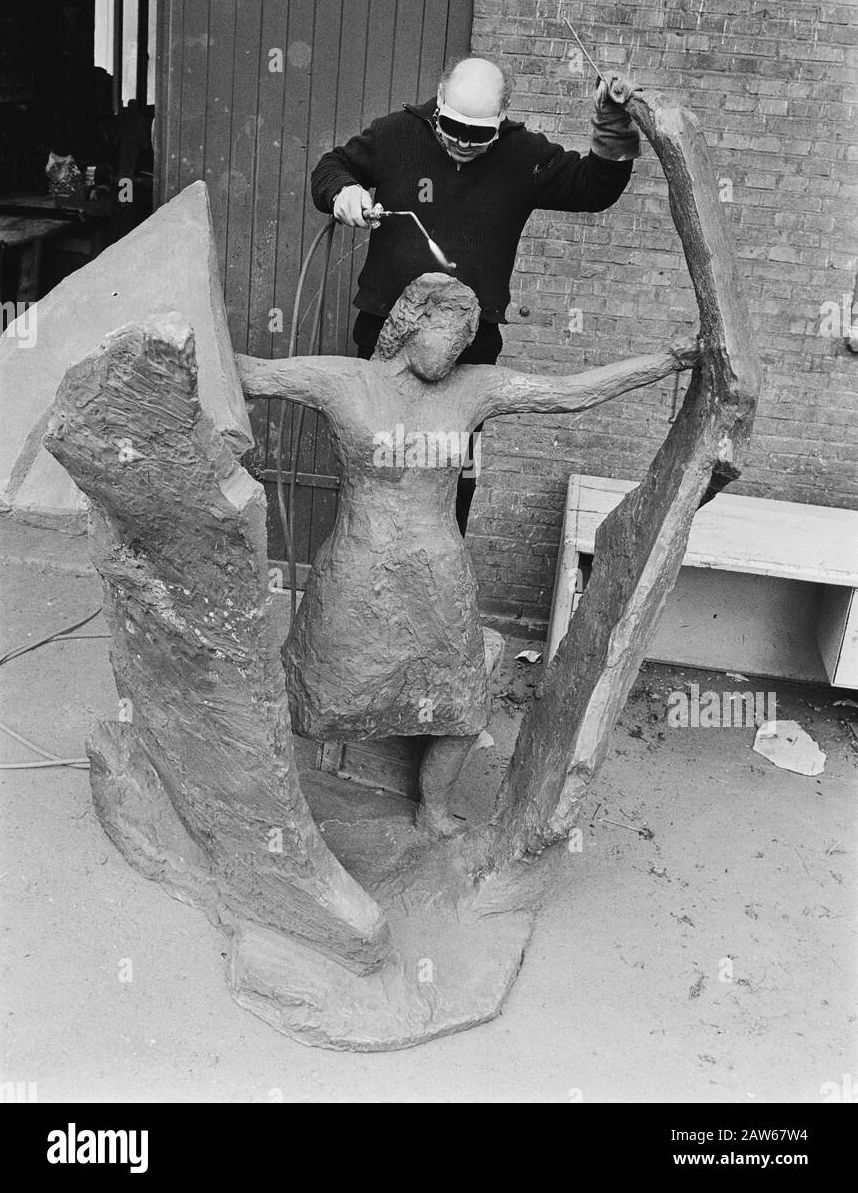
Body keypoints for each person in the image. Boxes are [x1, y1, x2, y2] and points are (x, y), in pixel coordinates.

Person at [238, 273, 697, 835]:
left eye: (464, 342)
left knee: (460, 703)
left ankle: (433, 808)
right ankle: (262, 793)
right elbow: (250, 374)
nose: (455, 351)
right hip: (358, 568)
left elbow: (569, 392)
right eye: (448, 335)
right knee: (309, 693)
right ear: (412, 323)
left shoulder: (473, 388)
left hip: (439, 573)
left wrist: (669, 360)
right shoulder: (341, 380)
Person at [310, 55, 640, 534]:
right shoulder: (395, 134)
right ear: (439, 102)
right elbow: (331, 166)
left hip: (469, 350)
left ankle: (438, 580)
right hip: (384, 338)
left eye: (479, 133)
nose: (464, 142)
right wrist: (342, 191)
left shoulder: (524, 155)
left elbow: (594, 188)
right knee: (376, 463)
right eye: (454, 126)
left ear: (501, 119)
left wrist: (612, 123)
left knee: (451, 476)